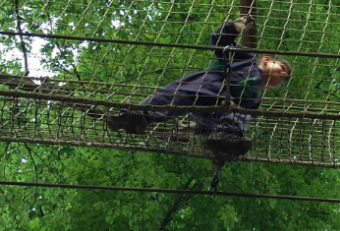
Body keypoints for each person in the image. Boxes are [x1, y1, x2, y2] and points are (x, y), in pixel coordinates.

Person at [108, 16, 292, 155]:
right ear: (266, 60)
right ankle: (137, 116)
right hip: (206, 87)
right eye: (282, 68)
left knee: (241, 117)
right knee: (173, 96)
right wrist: (235, 27)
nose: (282, 75)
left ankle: (225, 140)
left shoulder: (256, 98)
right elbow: (219, 43)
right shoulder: (247, 59)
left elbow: (231, 121)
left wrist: (194, 127)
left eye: (283, 79)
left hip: (220, 111)